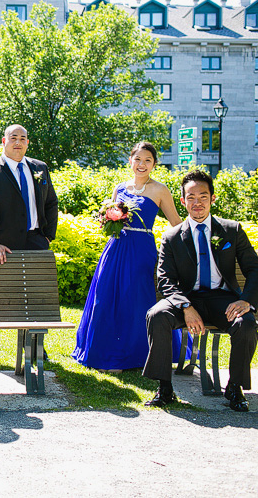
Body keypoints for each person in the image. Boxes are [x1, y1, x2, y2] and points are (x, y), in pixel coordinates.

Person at [144, 170, 258, 412]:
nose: (197, 203)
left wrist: (246, 302)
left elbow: (255, 270)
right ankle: (164, 388)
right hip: (186, 299)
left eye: (203, 196)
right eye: (191, 197)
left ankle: (234, 387)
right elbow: (165, 278)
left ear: (213, 198)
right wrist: (186, 306)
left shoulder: (232, 230)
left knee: (247, 325)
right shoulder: (172, 236)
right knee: (157, 315)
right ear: (182, 201)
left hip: (222, 299)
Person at [72, 143, 183, 371]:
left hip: (142, 251)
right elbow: (107, 220)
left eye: (148, 160)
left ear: (154, 164)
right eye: (138, 159)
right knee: (107, 298)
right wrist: (107, 219)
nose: (142, 164)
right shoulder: (120, 187)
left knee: (137, 300)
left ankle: (139, 354)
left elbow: (176, 223)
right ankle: (106, 352)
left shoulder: (160, 190)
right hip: (115, 249)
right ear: (130, 160)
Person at [0, 123, 59, 356]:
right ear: (4, 141)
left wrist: (48, 235)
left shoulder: (40, 168)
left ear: (27, 142)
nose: (18, 142)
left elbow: (51, 202)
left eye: (23, 138)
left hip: (36, 242)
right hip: (3, 248)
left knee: (37, 297)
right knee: (0, 300)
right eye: (13, 137)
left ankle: (34, 350)